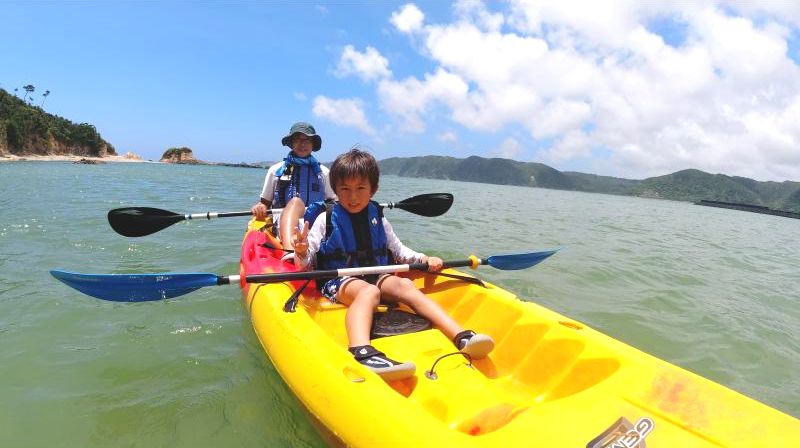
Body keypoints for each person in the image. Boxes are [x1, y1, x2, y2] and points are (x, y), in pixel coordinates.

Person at [292, 148, 494, 380]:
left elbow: (399, 250)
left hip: (376, 273)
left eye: (360, 189)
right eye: (345, 189)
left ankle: (462, 336)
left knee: (405, 287)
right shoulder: (325, 218)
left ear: (373, 190)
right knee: (367, 292)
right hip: (339, 280)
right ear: (336, 190)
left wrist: (423, 259)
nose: (353, 197)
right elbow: (304, 266)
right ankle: (361, 351)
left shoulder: (377, 216)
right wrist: (302, 250)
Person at [251, 122, 336, 250]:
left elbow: (334, 202)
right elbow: (264, 203)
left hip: (316, 226)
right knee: (296, 202)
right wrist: (259, 208)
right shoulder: (276, 171)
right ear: (291, 143)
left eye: (307, 140)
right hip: (283, 225)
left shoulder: (324, 173)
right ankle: (290, 251)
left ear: (313, 144)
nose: (302, 144)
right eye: (297, 139)